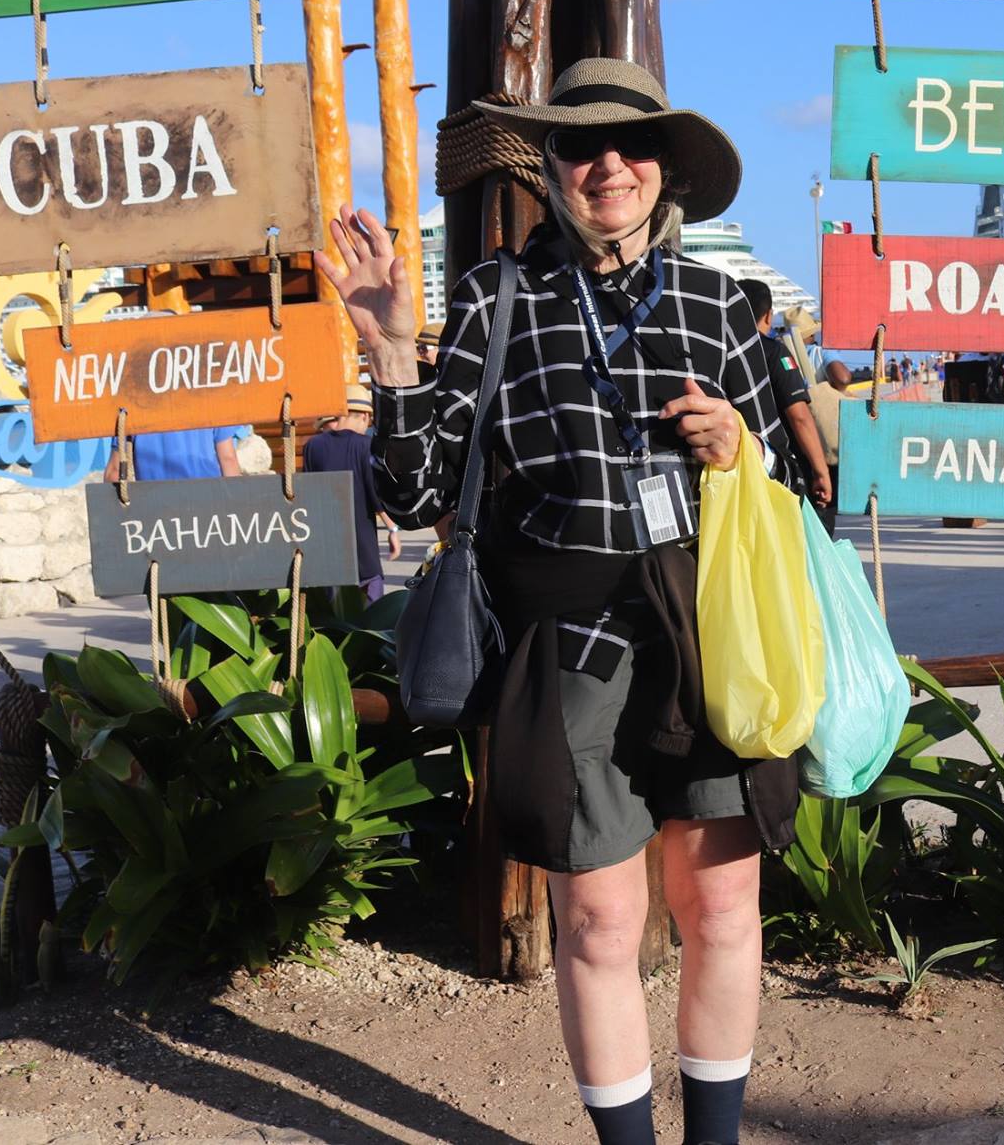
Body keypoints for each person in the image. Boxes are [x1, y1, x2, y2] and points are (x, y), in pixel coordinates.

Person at [315, 57, 789, 1145]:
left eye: (629, 145)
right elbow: (413, 490)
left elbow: (793, 495)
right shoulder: (494, 296)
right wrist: (391, 353)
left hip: (709, 634)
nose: (605, 164)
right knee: (597, 923)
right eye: (579, 147)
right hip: (564, 647)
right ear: (553, 170)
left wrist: (740, 450)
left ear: (663, 169)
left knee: (721, 907)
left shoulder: (723, 307)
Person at [737, 279, 832, 520]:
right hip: (776, 467)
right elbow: (799, 416)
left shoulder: (719, 351)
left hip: (731, 465)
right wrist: (821, 471)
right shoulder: (774, 352)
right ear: (768, 316)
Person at [302, 392, 404, 600]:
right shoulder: (365, 445)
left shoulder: (312, 447)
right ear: (364, 416)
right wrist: (392, 528)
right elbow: (373, 492)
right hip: (362, 548)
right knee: (370, 613)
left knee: (334, 613)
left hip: (328, 550)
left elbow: (308, 493)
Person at [105, 425, 243, 482]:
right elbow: (228, 459)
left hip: (153, 504)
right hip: (208, 497)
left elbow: (114, 472)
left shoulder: (134, 398)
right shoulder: (207, 390)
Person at [808, 361, 852, 537]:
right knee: (824, 510)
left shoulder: (782, 344)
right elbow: (843, 378)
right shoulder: (822, 353)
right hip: (824, 448)